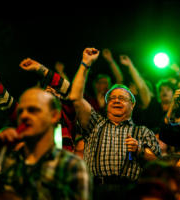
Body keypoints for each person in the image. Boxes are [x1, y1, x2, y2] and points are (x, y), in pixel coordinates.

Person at [69, 47, 161, 200]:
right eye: (112, 98)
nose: (117, 100)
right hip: (97, 191)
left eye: (122, 98)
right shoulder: (94, 124)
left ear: (132, 105)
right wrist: (85, 64)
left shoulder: (143, 132)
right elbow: (75, 98)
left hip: (131, 191)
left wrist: (140, 151)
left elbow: (158, 164)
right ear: (106, 104)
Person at [0, 87, 91, 200]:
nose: (24, 115)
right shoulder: (7, 160)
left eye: (33, 110)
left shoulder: (71, 166)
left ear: (54, 116)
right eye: (20, 112)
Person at [0, 48, 77, 152]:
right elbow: (4, 100)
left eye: (55, 92)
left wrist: (40, 68)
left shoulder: (67, 118)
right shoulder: (29, 119)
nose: (52, 92)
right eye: (47, 92)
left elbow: (70, 91)